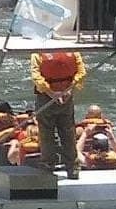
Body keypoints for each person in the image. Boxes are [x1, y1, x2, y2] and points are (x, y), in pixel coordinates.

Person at [30, 50, 87, 179]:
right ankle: (72, 168)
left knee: (46, 133)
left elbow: (36, 77)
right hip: (66, 96)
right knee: (68, 132)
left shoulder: (37, 55)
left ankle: (48, 166)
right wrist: (69, 89)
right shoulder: (74, 53)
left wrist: (51, 93)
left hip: (46, 97)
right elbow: (81, 72)